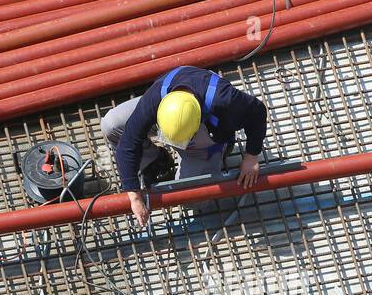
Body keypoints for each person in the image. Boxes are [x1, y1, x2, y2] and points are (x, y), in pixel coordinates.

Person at [100, 66, 267, 226]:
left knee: (191, 199)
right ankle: (156, 161)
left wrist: (252, 156)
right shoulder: (156, 97)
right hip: (175, 121)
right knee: (111, 125)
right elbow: (128, 142)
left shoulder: (224, 100)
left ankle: (213, 156)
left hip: (204, 142)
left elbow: (258, 111)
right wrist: (134, 196)